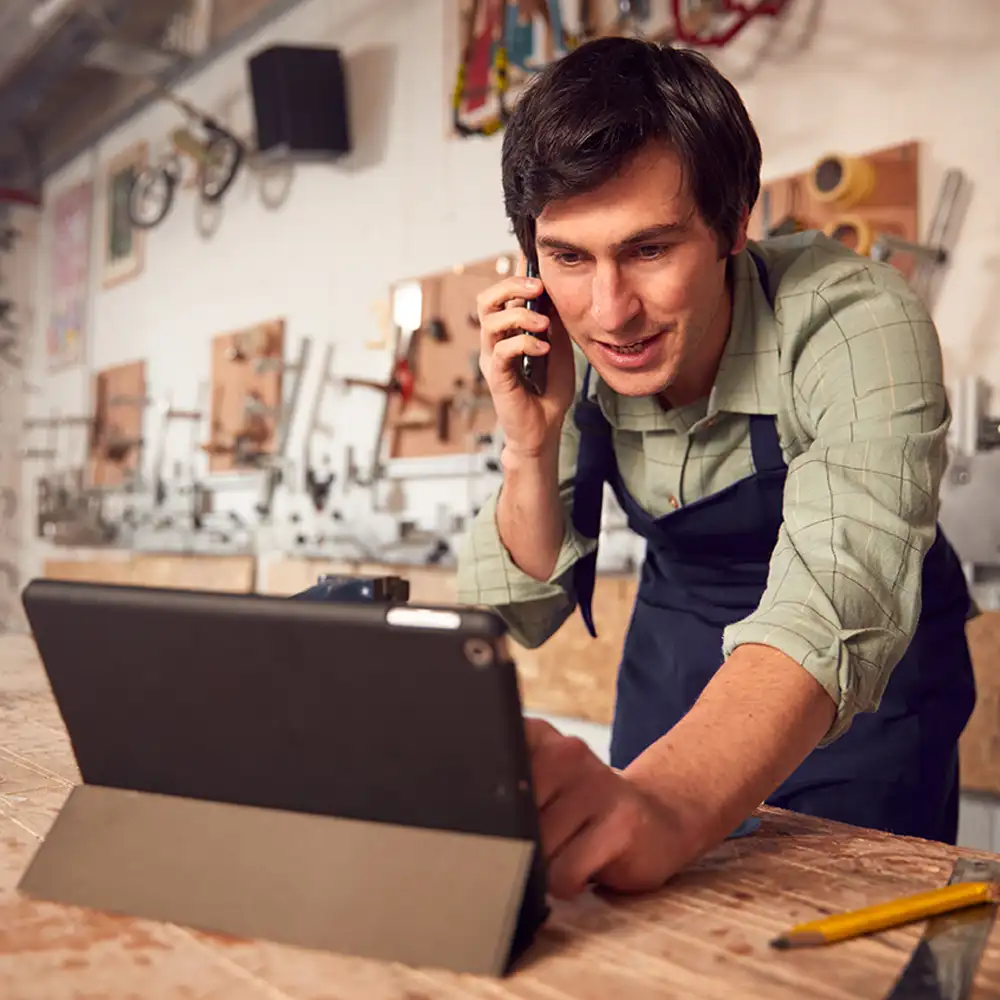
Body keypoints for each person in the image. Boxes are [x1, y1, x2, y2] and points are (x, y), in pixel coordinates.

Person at [455, 36, 976, 900]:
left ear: (737, 221)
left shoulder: (852, 322)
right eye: (570, 257)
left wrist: (661, 804)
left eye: (651, 249)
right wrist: (529, 443)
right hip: (677, 673)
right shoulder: (565, 341)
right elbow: (515, 606)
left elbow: (834, 599)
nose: (611, 311)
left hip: (861, 701)